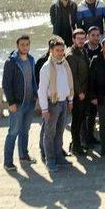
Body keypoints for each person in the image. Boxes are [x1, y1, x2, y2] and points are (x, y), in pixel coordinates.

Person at [37, 36, 74, 173]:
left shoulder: (65, 64)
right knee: (49, 133)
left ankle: (59, 156)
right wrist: (44, 109)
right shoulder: (46, 68)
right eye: (57, 50)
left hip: (64, 102)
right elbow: (41, 90)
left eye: (62, 50)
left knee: (60, 132)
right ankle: (50, 159)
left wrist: (70, 100)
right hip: (52, 104)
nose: (60, 52)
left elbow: (69, 83)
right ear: (51, 51)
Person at [2, 35, 37, 171]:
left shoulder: (31, 59)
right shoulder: (11, 62)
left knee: (25, 130)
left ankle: (23, 155)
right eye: (22, 45)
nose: (25, 47)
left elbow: (33, 79)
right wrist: (11, 102)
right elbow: (6, 84)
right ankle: (8, 161)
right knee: (13, 131)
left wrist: (36, 94)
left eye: (27, 44)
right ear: (17, 46)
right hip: (17, 103)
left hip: (29, 102)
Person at [65, 29, 89, 155]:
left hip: (84, 92)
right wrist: (79, 92)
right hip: (77, 94)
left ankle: (76, 143)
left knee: (80, 120)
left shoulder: (82, 50)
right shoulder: (71, 55)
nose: (81, 40)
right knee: (76, 121)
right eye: (78, 38)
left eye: (83, 38)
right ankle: (76, 147)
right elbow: (72, 76)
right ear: (73, 39)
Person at [83, 26, 101, 147]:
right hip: (84, 85)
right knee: (85, 114)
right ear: (88, 36)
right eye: (93, 35)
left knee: (93, 113)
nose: (95, 37)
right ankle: (83, 138)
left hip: (97, 86)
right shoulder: (82, 49)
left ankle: (91, 136)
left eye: (97, 35)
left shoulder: (102, 48)